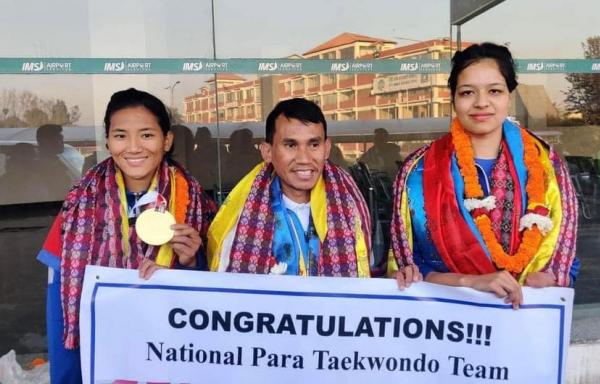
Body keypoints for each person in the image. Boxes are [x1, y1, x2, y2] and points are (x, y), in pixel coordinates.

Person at [36, 88, 217, 383]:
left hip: (168, 348)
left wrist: (190, 261)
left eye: (146, 135)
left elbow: (219, 290)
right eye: (121, 136)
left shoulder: (193, 201)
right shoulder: (79, 204)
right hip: (105, 348)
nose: (133, 148)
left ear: (167, 139)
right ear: (108, 141)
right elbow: (63, 311)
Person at [390, 43, 579, 307]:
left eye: (494, 91)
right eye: (468, 92)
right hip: (447, 323)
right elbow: (410, 267)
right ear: (453, 99)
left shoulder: (546, 166)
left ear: (509, 97)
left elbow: (567, 261)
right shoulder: (420, 171)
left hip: (523, 320)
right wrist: (471, 281)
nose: (481, 102)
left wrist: (553, 280)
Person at [208, 98, 372, 277]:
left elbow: (368, 274)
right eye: (291, 145)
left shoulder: (349, 208)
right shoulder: (241, 216)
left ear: (326, 148)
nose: (304, 158)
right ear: (267, 152)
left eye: (314, 144)